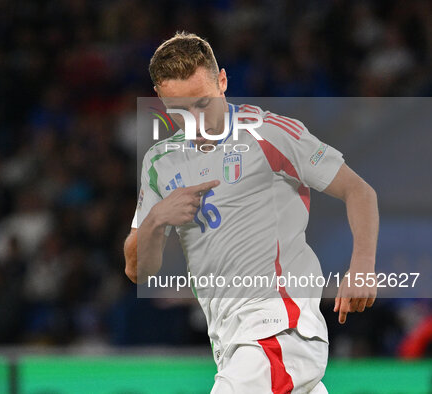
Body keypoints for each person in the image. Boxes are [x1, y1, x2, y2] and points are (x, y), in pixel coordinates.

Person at [123, 32, 379, 393]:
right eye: (180, 111)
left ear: (223, 81)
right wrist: (156, 218)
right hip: (230, 343)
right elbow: (139, 270)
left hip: (279, 330)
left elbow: (359, 191)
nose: (194, 119)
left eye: (202, 103)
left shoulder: (269, 134)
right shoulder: (159, 162)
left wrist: (363, 267)